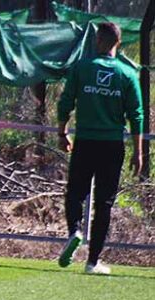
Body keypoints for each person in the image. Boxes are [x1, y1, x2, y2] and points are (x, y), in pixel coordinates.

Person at [56, 22, 143, 275]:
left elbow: (65, 102)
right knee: (104, 203)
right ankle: (92, 262)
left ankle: (74, 231)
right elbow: (136, 116)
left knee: (75, 193)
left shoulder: (82, 68)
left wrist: (63, 132)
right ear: (118, 43)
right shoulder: (127, 74)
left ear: (99, 41)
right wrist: (138, 152)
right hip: (112, 145)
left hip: (85, 141)